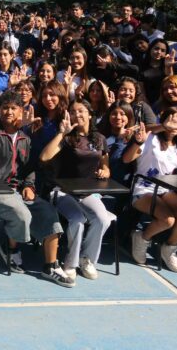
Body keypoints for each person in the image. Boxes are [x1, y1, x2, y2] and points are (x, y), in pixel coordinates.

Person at [0, 90, 74, 287]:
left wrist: (30, 185)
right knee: (21, 213)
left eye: (13, 108)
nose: (8, 111)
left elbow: (29, 168)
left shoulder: (25, 138)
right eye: (4, 107)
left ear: (21, 111)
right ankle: (10, 248)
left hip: (17, 191)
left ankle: (50, 266)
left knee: (48, 212)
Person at [39, 100, 114, 280]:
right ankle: (70, 263)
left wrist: (104, 171)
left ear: (89, 114)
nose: (77, 114)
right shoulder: (66, 138)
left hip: (86, 193)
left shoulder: (100, 139)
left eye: (81, 111)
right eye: (72, 111)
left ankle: (86, 259)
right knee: (77, 219)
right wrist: (61, 133)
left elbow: (106, 166)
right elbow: (44, 157)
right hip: (61, 191)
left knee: (103, 219)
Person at [124, 110, 177, 273]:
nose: (176, 123)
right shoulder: (151, 138)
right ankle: (141, 238)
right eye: (173, 119)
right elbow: (127, 158)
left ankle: (169, 248)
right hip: (143, 187)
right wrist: (163, 126)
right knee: (167, 220)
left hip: (164, 188)